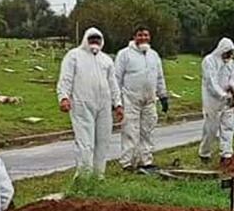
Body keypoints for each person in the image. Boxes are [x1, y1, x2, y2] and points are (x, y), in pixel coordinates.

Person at [57, 27, 123, 177]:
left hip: (104, 106)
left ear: (102, 41)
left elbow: (113, 84)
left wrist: (118, 104)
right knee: (85, 143)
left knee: (103, 142)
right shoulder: (74, 55)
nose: (94, 41)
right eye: (91, 38)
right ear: (85, 39)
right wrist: (63, 97)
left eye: (97, 39)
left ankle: (98, 176)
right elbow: (66, 78)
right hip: (82, 104)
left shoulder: (106, 60)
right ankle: (84, 177)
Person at [114, 26, 169, 171]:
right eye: (140, 35)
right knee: (130, 131)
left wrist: (163, 96)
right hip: (130, 99)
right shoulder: (124, 54)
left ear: (150, 37)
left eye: (146, 35)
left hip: (149, 100)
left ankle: (146, 161)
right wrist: (117, 102)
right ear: (134, 37)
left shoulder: (153, 55)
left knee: (147, 131)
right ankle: (128, 163)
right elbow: (116, 79)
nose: (143, 38)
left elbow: (159, 77)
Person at [199, 37, 234, 163]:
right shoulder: (209, 61)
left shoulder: (230, 63)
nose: (229, 55)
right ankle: (204, 153)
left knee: (228, 126)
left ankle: (226, 154)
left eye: (231, 53)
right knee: (211, 128)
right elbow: (211, 82)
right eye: (227, 52)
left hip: (228, 100)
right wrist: (223, 95)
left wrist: (232, 89)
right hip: (212, 101)